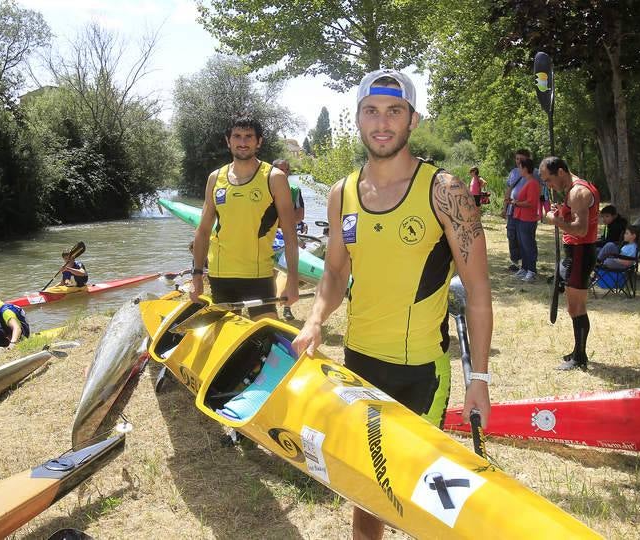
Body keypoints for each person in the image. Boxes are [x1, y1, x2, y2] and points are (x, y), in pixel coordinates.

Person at [292, 69, 493, 540]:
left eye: (394, 112)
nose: (382, 123)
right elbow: (335, 272)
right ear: (358, 119)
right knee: (367, 492)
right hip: (358, 364)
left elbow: (478, 291)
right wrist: (315, 320)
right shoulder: (342, 192)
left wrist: (479, 378)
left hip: (419, 371)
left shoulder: (445, 191)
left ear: (412, 120)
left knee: (415, 491)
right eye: (372, 111)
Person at [189, 115, 299, 321]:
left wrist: (292, 279)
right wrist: (196, 275)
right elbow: (203, 231)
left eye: (249, 136)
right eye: (237, 136)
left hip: (258, 274)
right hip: (220, 274)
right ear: (228, 141)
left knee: (266, 334)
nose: (242, 142)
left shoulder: (274, 178)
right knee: (228, 336)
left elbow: (290, 234)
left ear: (259, 142)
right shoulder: (215, 178)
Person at [540, 156, 600, 371]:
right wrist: (562, 213)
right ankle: (577, 351)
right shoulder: (574, 191)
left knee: (576, 307)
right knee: (573, 307)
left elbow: (581, 229)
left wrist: (555, 220)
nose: (549, 185)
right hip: (576, 252)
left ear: (561, 172)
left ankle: (580, 357)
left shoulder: (578, 192)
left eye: (549, 179)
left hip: (581, 252)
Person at [274, 158, 304, 321]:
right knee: (269, 270)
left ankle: (287, 307)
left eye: (286, 170)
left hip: (288, 233)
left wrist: (284, 222)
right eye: (280, 170)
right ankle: (269, 305)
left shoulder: (294, 190)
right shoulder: (264, 188)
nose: (284, 173)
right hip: (269, 235)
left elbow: (300, 215)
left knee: (287, 266)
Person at [510, 157, 541, 282]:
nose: (519, 170)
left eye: (520, 167)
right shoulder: (527, 182)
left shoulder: (533, 183)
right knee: (522, 245)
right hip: (519, 217)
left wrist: (516, 203)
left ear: (526, 168)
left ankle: (532, 271)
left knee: (528, 245)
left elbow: (531, 203)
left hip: (528, 219)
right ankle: (524, 268)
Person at [503, 149, 531, 272]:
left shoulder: (535, 172)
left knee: (524, 238)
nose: (518, 161)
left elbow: (542, 189)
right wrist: (504, 208)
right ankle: (515, 262)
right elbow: (508, 190)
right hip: (512, 209)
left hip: (526, 210)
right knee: (511, 235)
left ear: (528, 159)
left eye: (521, 159)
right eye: (517, 158)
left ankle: (527, 265)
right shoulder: (513, 172)